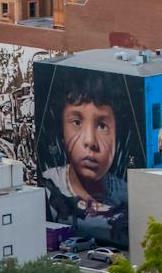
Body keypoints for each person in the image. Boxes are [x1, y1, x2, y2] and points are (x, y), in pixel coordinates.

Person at [40, 71, 130, 246]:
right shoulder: (47, 186)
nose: (90, 141)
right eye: (76, 122)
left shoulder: (128, 194)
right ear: (61, 130)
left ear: (117, 137)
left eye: (102, 126)